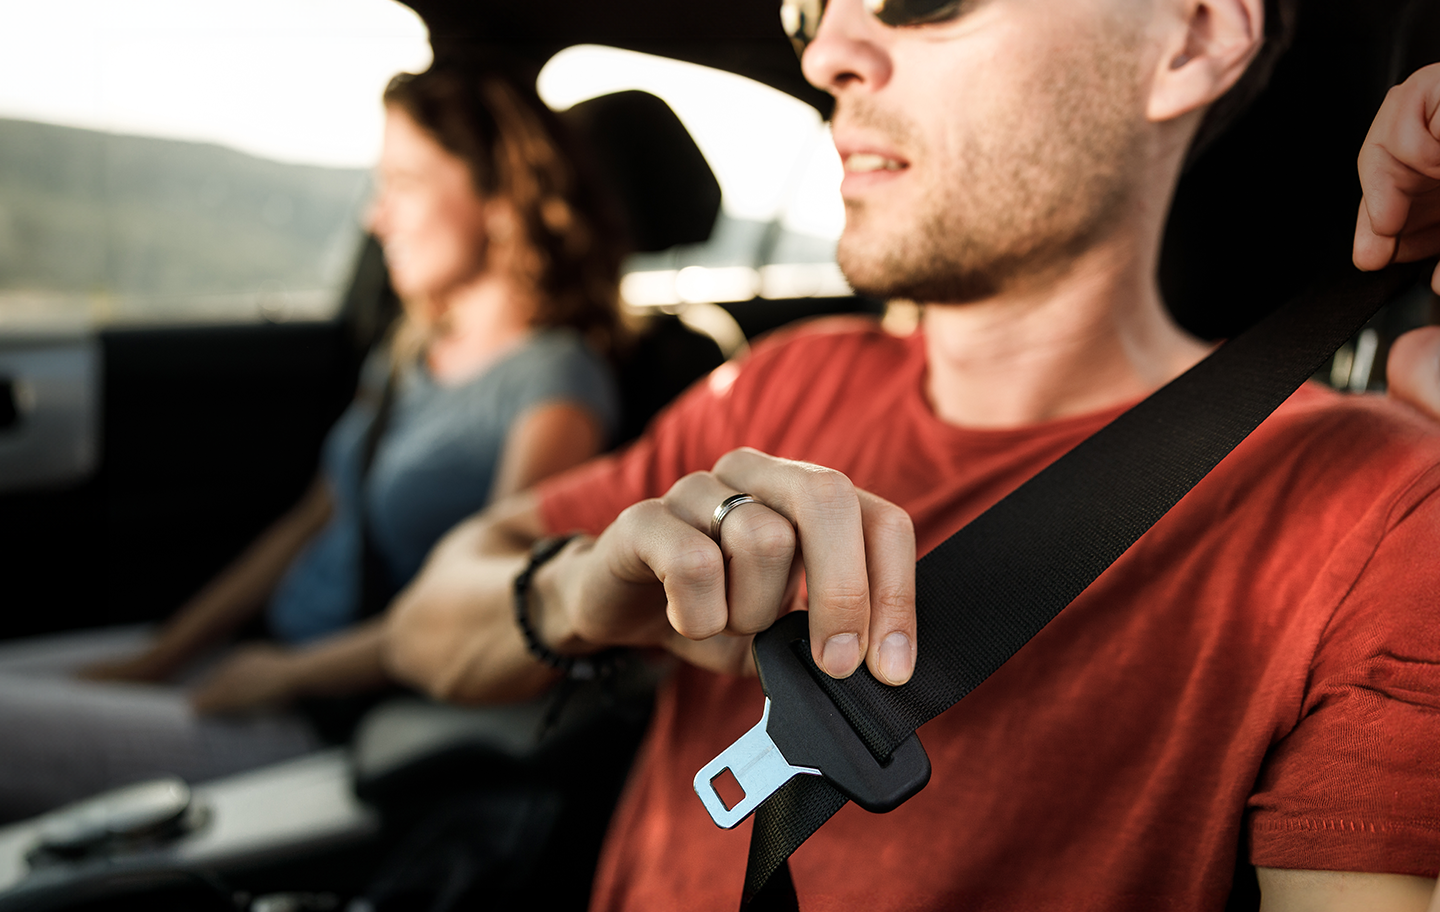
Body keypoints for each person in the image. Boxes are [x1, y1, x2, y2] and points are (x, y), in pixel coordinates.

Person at [383, 1, 1440, 908]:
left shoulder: (1379, 508)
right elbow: (424, 628)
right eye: (813, 4)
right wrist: (575, 594)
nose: (825, 50)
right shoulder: (777, 386)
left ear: (1192, 37)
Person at [0, 63, 626, 822]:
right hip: (263, 659)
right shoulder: (411, 349)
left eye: (404, 182)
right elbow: (313, 519)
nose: (376, 215)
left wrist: (288, 675)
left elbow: (506, 610)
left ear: (499, 200)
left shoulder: (555, 385)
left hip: (332, 710)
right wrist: (157, 659)